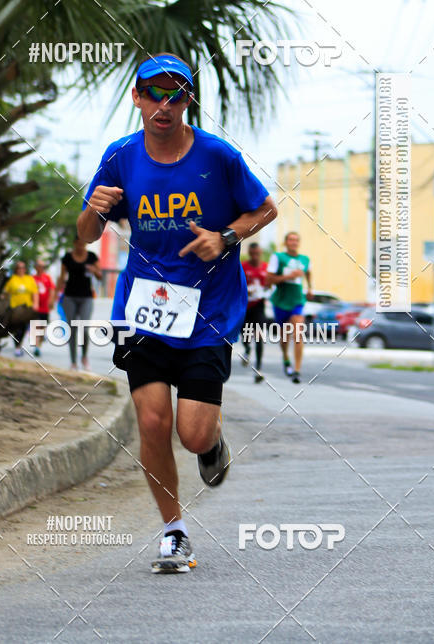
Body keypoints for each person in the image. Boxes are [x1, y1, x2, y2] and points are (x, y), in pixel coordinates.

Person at [78, 53, 277, 573]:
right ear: (138, 99)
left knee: (191, 433)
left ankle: (211, 444)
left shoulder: (218, 156)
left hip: (209, 310)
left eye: (175, 94)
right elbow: (85, 235)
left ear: (188, 100)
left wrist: (226, 236)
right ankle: (174, 532)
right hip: (143, 309)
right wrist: (93, 210)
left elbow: (265, 209)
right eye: (153, 94)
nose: (164, 105)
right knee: (151, 420)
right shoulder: (121, 156)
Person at [265, 232, 312, 384]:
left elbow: (308, 273)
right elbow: (269, 280)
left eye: (296, 240)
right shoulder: (278, 257)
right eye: (291, 240)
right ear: (286, 242)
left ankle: (297, 371)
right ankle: (286, 358)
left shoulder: (305, 260)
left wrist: (310, 288)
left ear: (299, 243)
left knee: (298, 333)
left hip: (297, 301)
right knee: (284, 337)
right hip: (280, 302)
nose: (293, 242)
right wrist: (288, 277)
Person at [56, 238, 103, 371]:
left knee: (85, 328)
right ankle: (73, 362)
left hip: (86, 297)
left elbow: (100, 276)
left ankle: (84, 356)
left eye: (84, 243)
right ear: (75, 243)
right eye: (79, 243)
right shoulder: (67, 257)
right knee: (72, 329)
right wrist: (54, 295)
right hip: (69, 296)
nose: (81, 246)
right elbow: (61, 277)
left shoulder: (92, 257)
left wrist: (94, 270)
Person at [241, 242, 268, 382]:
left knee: (259, 337)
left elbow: (270, 285)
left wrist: (266, 292)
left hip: (259, 305)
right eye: (253, 254)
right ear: (250, 253)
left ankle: (259, 369)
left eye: (258, 253)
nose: (255, 256)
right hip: (245, 305)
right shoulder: (243, 267)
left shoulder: (265, 268)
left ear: (260, 253)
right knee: (245, 333)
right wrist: (247, 290)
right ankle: (246, 349)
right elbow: (237, 284)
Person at [2, 261, 39, 356]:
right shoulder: (12, 279)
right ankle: (17, 346)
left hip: (26, 307)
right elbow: (5, 292)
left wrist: (35, 304)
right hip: (15, 308)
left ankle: (19, 346)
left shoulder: (29, 279)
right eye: (19, 268)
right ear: (16, 269)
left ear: (25, 269)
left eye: (23, 268)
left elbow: (35, 292)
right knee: (15, 327)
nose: (21, 270)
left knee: (23, 327)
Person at [32, 258, 56, 357]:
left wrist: (51, 301)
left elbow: (52, 289)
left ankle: (39, 345)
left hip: (45, 307)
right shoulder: (32, 278)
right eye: (39, 266)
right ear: (36, 267)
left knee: (42, 327)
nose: (41, 268)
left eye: (43, 266)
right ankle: (36, 346)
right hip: (35, 307)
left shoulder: (47, 277)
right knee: (36, 325)